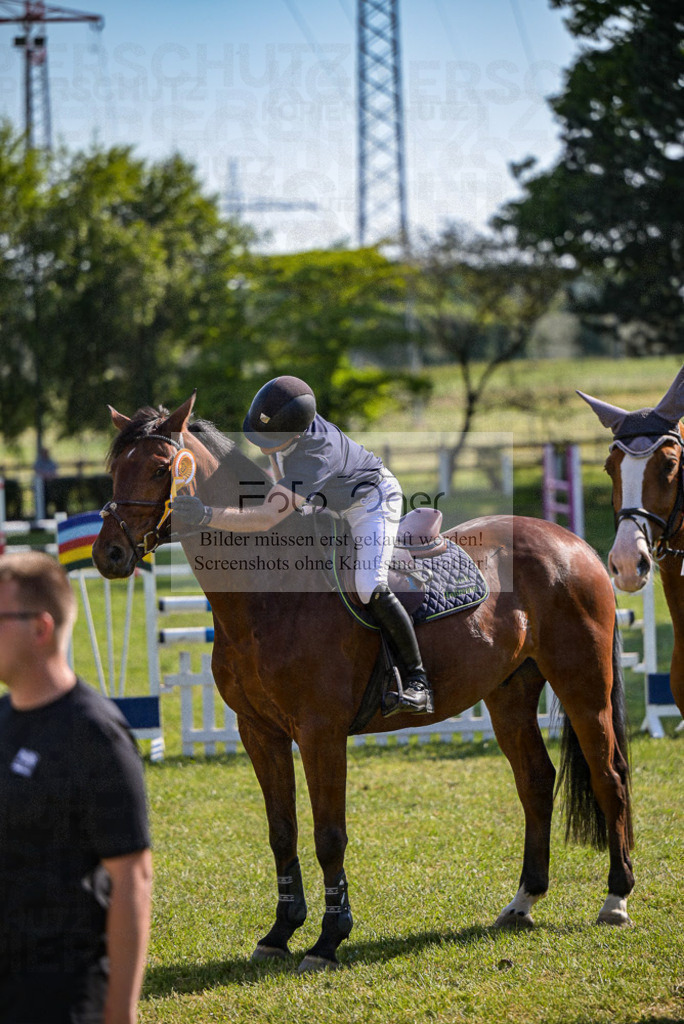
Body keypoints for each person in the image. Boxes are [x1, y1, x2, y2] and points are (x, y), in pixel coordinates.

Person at [171, 375, 434, 714]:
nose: (261, 444)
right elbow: (278, 475)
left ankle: (418, 680)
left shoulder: (314, 454)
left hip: (370, 501)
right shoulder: (288, 425)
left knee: (368, 584)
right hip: (326, 497)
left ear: (296, 434)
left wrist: (206, 515)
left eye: (268, 439)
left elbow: (265, 517)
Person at [0, 551, 152, 1024]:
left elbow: (132, 878)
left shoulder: (94, 733)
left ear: (40, 628)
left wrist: (120, 1013)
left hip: (61, 995)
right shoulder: (4, 719)